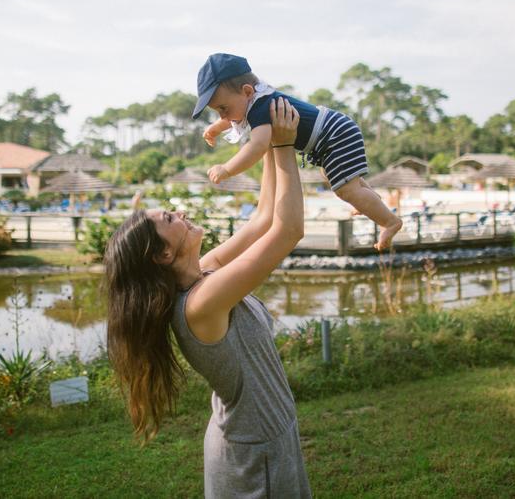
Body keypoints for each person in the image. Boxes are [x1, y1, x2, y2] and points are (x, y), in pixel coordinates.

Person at [105, 98, 312, 498]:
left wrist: (266, 140)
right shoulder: (201, 303)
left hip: (262, 438)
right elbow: (288, 232)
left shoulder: (205, 275)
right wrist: (285, 148)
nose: (179, 213)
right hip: (255, 456)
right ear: (163, 255)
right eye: (169, 220)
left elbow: (264, 219)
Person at [194, 52, 402, 250]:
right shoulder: (256, 101)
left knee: (344, 190)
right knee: (337, 181)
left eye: (223, 109)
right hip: (333, 129)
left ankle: (390, 222)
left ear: (247, 92)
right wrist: (215, 128)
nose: (223, 117)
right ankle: (368, 200)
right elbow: (235, 117)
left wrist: (227, 169)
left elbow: (257, 146)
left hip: (333, 133)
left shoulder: (259, 107)